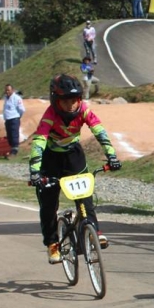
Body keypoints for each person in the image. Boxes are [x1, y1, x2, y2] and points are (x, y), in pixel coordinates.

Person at [29, 74, 121, 264]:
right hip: (50, 160)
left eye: (75, 100)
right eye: (66, 101)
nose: (71, 105)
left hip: (73, 157)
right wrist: (35, 171)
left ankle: (93, 230)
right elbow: (39, 142)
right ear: (56, 100)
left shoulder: (84, 111)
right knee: (48, 204)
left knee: (85, 196)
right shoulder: (49, 116)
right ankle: (52, 243)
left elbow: (99, 131)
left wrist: (112, 156)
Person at [3, 83, 25, 156]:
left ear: (12, 90)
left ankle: (14, 151)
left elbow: (22, 109)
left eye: (8, 90)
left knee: (14, 134)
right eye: (6, 90)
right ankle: (11, 149)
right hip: (7, 119)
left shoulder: (17, 98)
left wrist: (18, 116)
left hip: (14, 119)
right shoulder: (5, 98)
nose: (7, 92)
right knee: (9, 135)